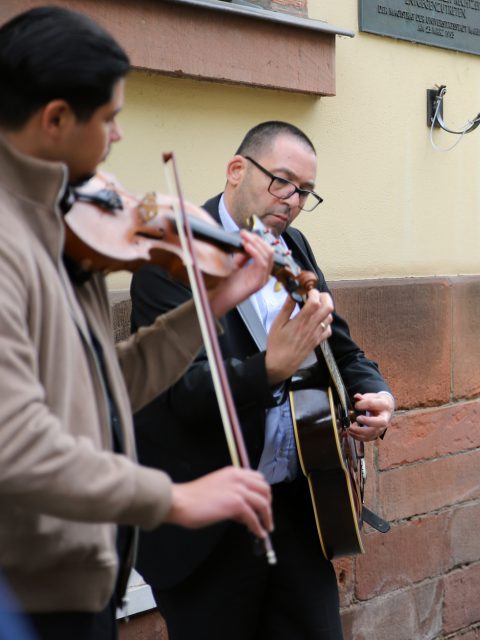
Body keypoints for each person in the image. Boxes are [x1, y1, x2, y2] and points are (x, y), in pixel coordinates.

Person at [0, 7, 277, 639]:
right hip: (22, 588)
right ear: (56, 120)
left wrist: (212, 304)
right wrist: (173, 498)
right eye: (110, 118)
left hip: (76, 575)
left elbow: (105, 387)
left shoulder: (65, 226)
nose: (119, 137)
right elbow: (14, 443)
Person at [129, 121, 395, 639]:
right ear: (236, 170)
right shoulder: (169, 258)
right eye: (282, 182)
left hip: (300, 506)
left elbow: (339, 343)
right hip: (211, 522)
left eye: (305, 192)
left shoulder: (294, 245)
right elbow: (180, 391)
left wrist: (377, 392)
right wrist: (268, 367)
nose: (293, 200)